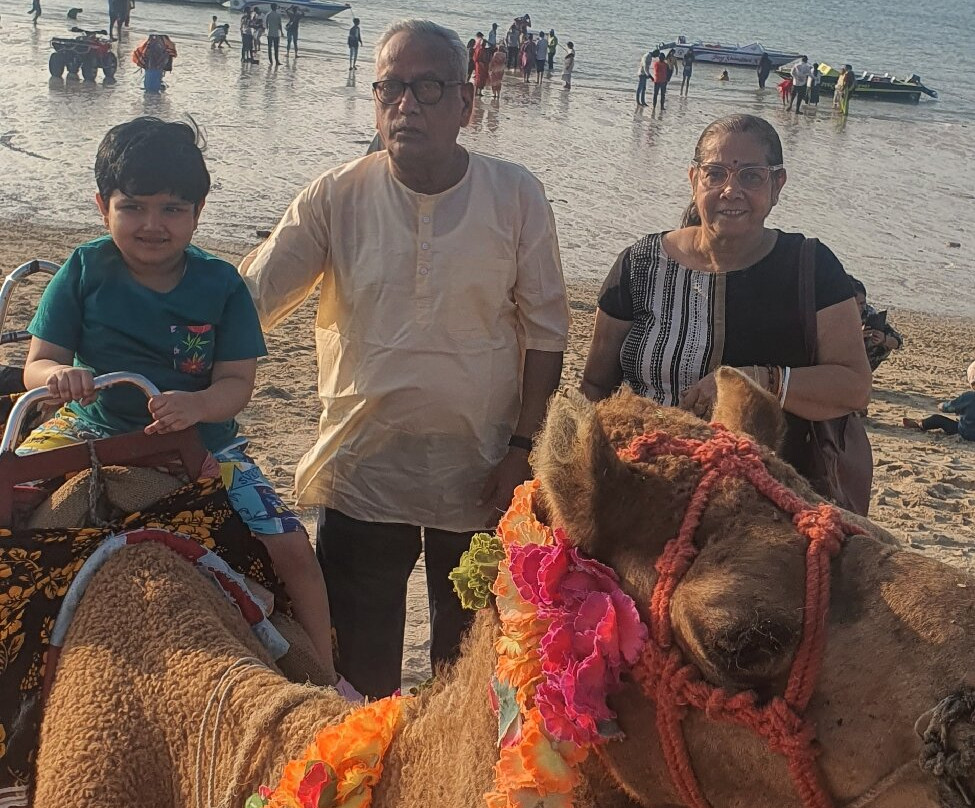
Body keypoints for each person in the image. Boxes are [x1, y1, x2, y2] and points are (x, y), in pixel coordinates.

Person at [238, 19, 569, 699]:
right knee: (361, 676)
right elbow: (249, 300)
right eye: (390, 86)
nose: (406, 104)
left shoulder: (514, 195)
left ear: (464, 104)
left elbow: (546, 332)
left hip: (480, 468)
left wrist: (520, 448)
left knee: (468, 666)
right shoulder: (337, 194)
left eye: (427, 87)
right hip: (364, 464)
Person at [18, 117, 340, 684]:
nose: (152, 225)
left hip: (203, 440)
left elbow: (237, 384)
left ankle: (325, 677)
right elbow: (36, 363)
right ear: (102, 205)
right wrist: (61, 377)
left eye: (171, 208)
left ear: (199, 209)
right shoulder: (84, 270)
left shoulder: (221, 285)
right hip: (90, 427)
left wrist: (196, 407)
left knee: (293, 550)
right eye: (134, 206)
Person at [581, 114, 871, 496]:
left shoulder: (811, 267)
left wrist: (755, 381)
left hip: (765, 504)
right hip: (640, 494)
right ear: (693, 179)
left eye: (751, 175)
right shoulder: (640, 264)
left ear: (777, 183)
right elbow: (596, 385)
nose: (731, 190)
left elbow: (853, 386)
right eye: (715, 174)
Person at [903, 363, 975, 440]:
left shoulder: (968, 397)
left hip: (967, 433)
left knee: (937, 419)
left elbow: (948, 408)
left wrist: (941, 405)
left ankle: (920, 424)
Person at [848, 276, 903, 371]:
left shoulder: (868, 313)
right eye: (855, 303)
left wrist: (883, 339)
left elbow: (898, 341)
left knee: (879, 345)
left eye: (862, 303)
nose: (860, 307)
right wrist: (855, 336)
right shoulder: (835, 314)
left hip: (861, 365)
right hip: (837, 356)